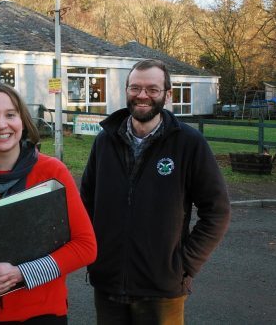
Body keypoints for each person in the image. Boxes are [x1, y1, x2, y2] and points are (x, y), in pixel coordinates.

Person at [80, 59, 231, 325]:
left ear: (167, 95)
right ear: (126, 90)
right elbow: (86, 203)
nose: (142, 95)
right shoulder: (105, 141)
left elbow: (217, 211)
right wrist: (95, 258)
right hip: (107, 284)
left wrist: (183, 265)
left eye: (152, 89)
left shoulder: (188, 143)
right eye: (135, 88)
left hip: (162, 289)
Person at [0, 82, 97, 324]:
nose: (1, 124)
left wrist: (20, 274)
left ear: (22, 121)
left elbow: (85, 246)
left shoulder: (52, 172)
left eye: (10, 115)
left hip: (41, 312)